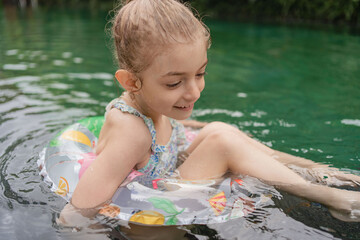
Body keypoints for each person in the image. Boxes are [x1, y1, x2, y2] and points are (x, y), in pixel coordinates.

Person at [62, 0, 360, 225]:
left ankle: (317, 171)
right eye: (175, 82)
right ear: (131, 82)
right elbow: (79, 208)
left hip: (165, 180)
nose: (194, 92)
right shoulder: (130, 132)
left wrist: (202, 126)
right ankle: (330, 198)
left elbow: (173, 133)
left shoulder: (152, 102)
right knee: (222, 143)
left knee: (219, 129)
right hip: (150, 220)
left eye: (200, 74)